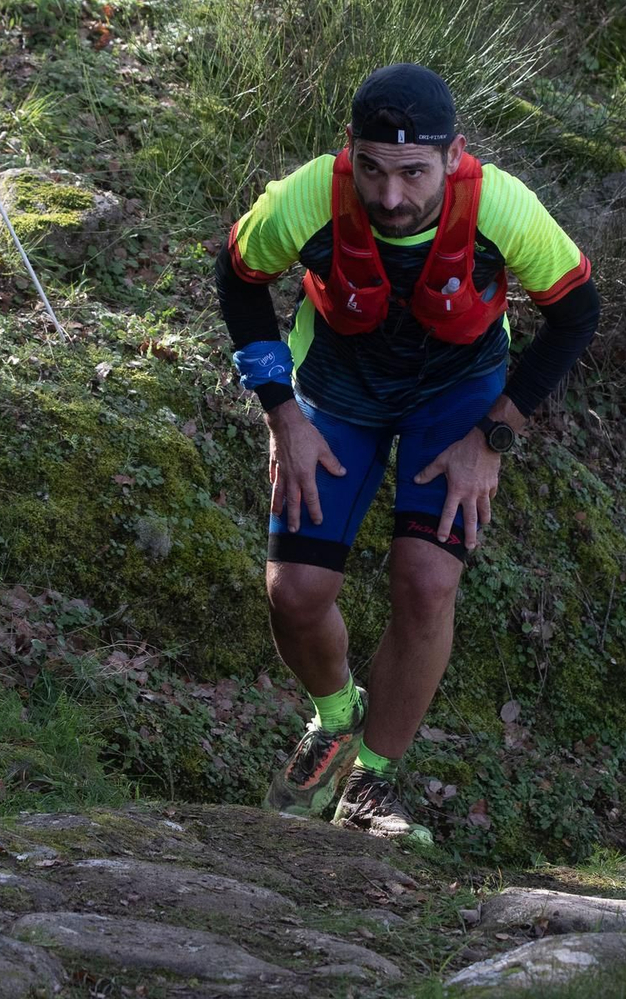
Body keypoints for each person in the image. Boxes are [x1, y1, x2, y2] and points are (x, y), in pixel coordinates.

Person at [214, 63, 599, 844]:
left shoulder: (500, 207)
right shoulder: (309, 195)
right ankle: (335, 716)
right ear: (347, 149)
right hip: (337, 384)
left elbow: (578, 312)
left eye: (415, 173)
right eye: (375, 172)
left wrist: (493, 436)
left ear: (453, 155)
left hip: (455, 395)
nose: (392, 198)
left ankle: (371, 783)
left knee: (426, 583)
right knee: (294, 592)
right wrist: (281, 411)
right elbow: (238, 277)